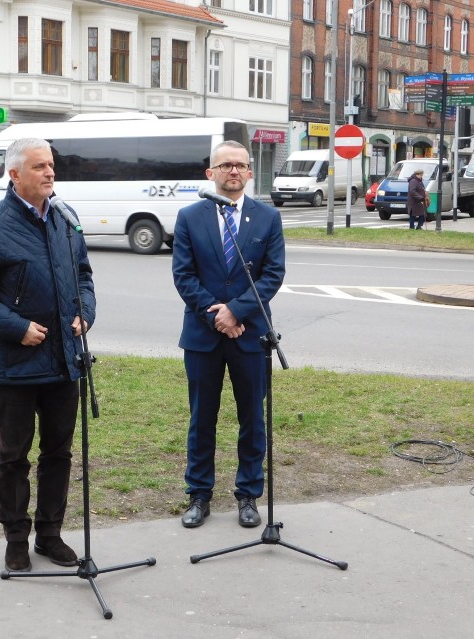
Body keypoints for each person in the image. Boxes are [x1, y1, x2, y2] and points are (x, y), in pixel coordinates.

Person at [0, 138, 96, 572]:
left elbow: (84, 276)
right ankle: (16, 538)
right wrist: (16, 328)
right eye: (39, 166)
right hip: (16, 365)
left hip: (64, 361)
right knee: (14, 456)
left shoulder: (66, 220)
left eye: (51, 165)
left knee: (59, 453)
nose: (50, 173)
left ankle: (49, 534)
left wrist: (84, 312)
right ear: (14, 174)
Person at [172, 140, 286, 530]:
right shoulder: (189, 217)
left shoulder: (267, 218)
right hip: (203, 337)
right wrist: (216, 315)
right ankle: (198, 495)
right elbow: (184, 277)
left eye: (240, 165)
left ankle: (248, 494)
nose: (233, 171)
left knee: (252, 418)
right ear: (210, 173)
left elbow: (272, 275)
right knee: (202, 417)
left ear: (250, 172)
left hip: (251, 335)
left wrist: (236, 311)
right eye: (225, 165)